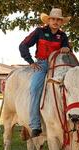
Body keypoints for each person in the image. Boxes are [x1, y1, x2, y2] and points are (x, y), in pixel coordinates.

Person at [19, 8, 71, 138]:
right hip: (42, 65)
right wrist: (31, 62)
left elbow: (67, 49)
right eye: (53, 19)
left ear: (61, 22)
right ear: (48, 20)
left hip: (58, 66)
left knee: (70, 86)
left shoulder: (63, 36)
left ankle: (70, 120)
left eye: (58, 20)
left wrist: (67, 48)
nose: (55, 21)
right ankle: (35, 125)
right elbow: (23, 45)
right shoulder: (39, 31)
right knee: (35, 88)